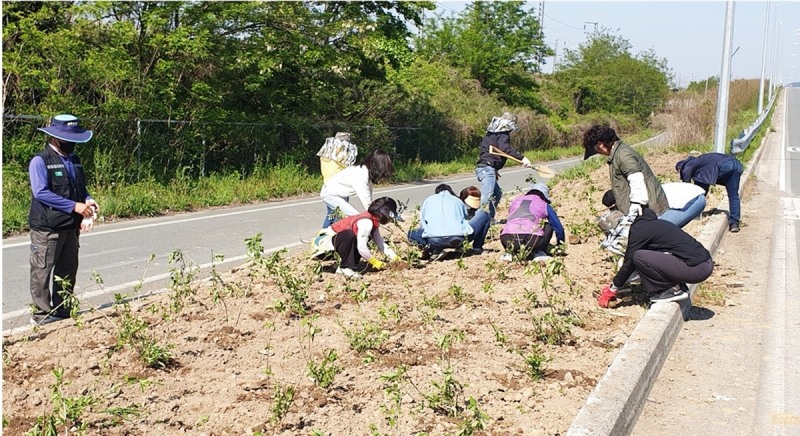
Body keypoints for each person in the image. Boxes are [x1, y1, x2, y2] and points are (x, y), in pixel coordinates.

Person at [28, 114, 99, 325]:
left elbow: (80, 189)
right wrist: (74, 206)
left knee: (67, 270)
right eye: (69, 139)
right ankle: (41, 315)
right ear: (56, 138)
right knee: (42, 271)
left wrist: (88, 200)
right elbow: (40, 192)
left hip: (70, 226)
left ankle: (62, 310)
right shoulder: (40, 161)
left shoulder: (75, 161)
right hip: (47, 227)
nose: (73, 144)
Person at [596, 207, 714, 308]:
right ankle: (676, 285)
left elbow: (629, 262)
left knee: (639, 256)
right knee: (646, 256)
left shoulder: (638, 232)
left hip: (697, 269)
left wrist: (613, 289)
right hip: (703, 263)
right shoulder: (649, 225)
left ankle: (671, 290)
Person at [311, 197, 399, 278]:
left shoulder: (373, 222)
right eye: (387, 212)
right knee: (350, 235)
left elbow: (380, 242)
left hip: (333, 245)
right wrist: (374, 261)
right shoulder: (366, 222)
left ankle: (346, 264)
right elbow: (361, 247)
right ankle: (345, 268)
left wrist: (394, 257)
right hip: (323, 247)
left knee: (362, 238)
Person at [407, 184, 490, 259]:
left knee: (411, 233)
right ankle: (477, 248)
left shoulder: (428, 200)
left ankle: (434, 250)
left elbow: (423, 223)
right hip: (458, 239)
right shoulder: (458, 201)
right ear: (450, 192)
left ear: (436, 193)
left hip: (434, 241)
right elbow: (464, 220)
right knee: (484, 214)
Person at [475, 112, 532, 218]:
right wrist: (522, 158)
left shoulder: (491, 134)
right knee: (487, 196)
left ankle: (489, 219)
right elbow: (505, 149)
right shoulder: (502, 134)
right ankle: (478, 220)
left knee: (496, 194)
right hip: (486, 169)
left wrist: (495, 169)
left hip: (487, 168)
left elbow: (490, 152)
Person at [675, 153, 744, 232]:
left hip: (724, 166)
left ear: (680, 168)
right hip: (737, 165)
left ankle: (696, 215)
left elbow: (692, 190)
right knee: (733, 196)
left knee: (699, 193)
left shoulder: (687, 165)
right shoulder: (702, 166)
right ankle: (734, 223)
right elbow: (703, 189)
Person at [320, 149, 394, 219]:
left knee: (336, 219)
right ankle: (326, 232)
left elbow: (370, 199)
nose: (382, 178)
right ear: (378, 168)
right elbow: (368, 205)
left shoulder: (368, 173)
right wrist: (379, 217)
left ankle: (329, 231)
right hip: (330, 194)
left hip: (339, 193)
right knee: (356, 217)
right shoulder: (361, 175)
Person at [499, 183, 565, 261]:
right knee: (548, 226)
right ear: (544, 196)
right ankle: (539, 252)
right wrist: (560, 246)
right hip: (532, 241)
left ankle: (510, 252)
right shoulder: (544, 204)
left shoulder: (515, 201)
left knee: (509, 226)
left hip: (507, 239)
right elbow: (558, 227)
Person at [317, 132, 358, 227]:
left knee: (332, 214)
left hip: (327, 186)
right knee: (339, 215)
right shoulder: (341, 159)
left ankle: (326, 234)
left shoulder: (325, 156)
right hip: (339, 188)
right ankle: (325, 235)